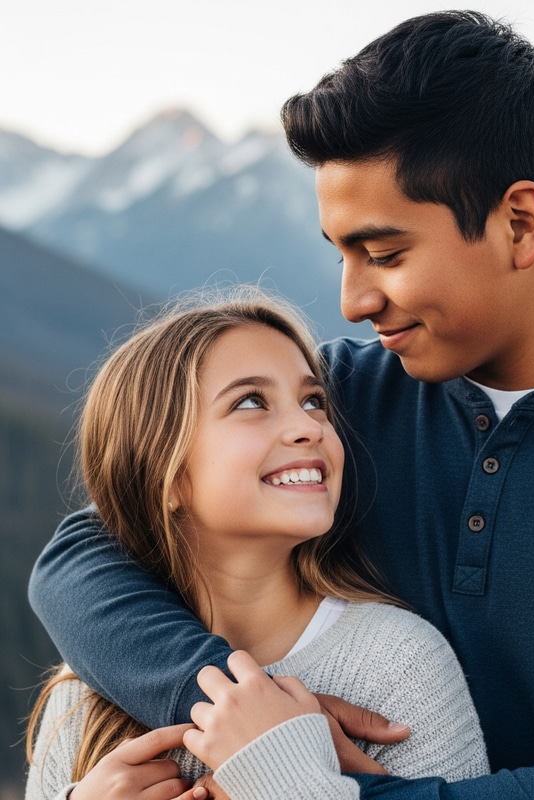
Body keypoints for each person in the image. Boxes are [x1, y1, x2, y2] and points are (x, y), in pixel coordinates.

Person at [29, 10, 534, 799]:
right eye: (340, 255)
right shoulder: (339, 401)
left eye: (385, 254)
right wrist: (228, 701)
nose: (354, 300)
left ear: (521, 223)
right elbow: (83, 557)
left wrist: (297, 775)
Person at [24, 289, 489, 800]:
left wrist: (280, 774)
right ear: (167, 476)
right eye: (251, 402)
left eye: (313, 401)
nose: (307, 427)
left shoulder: (399, 666)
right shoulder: (90, 680)